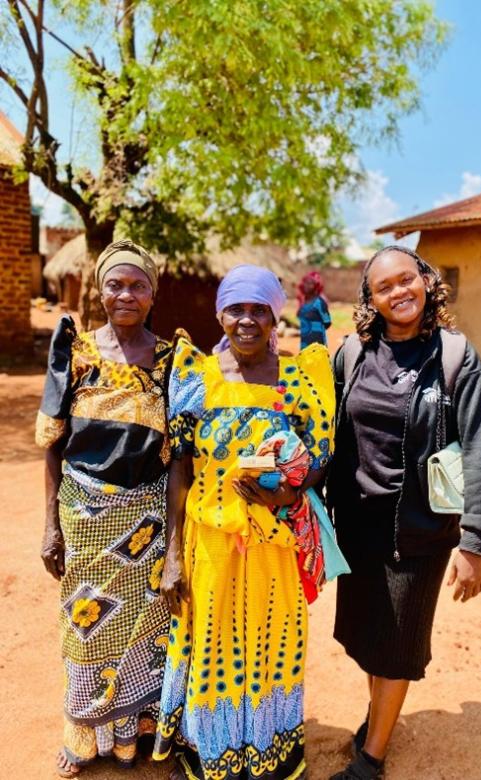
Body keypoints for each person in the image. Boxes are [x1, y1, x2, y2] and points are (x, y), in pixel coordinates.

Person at [327, 246, 481, 779]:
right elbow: (329, 431)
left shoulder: (455, 357)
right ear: (371, 299)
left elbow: (480, 449)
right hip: (357, 527)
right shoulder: (352, 354)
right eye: (384, 287)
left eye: (407, 279)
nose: (399, 292)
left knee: (397, 647)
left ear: (426, 281)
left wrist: (475, 541)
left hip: (419, 532)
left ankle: (371, 760)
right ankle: (377, 721)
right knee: (368, 638)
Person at [152, 264, 335, 780]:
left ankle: (269, 753)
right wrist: (172, 557)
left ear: (276, 316)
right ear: (220, 315)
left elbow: (321, 456)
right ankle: (213, 751)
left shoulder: (302, 376)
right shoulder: (196, 375)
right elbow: (180, 467)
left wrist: (288, 493)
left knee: (273, 643)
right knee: (212, 646)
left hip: (276, 541)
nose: (247, 320)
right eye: (236, 309)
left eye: (260, 310)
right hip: (209, 540)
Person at [36, 240, 172, 777]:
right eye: (115, 284)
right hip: (84, 517)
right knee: (84, 628)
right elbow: (52, 442)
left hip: (146, 526)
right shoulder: (76, 353)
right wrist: (50, 526)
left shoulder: (173, 361)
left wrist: (176, 545)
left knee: (143, 630)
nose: (126, 295)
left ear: (152, 294)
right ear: (99, 290)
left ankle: (130, 738)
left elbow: (181, 458)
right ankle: (84, 737)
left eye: (138, 285)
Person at [297, 270, 332, 349]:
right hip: (304, 342)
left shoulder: (319, 302)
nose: (307, 286)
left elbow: (327, 322)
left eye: (311, 283)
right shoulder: (303, 301)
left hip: (317, 343)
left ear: (316, 285)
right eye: (306, 283)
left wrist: (316, 330)